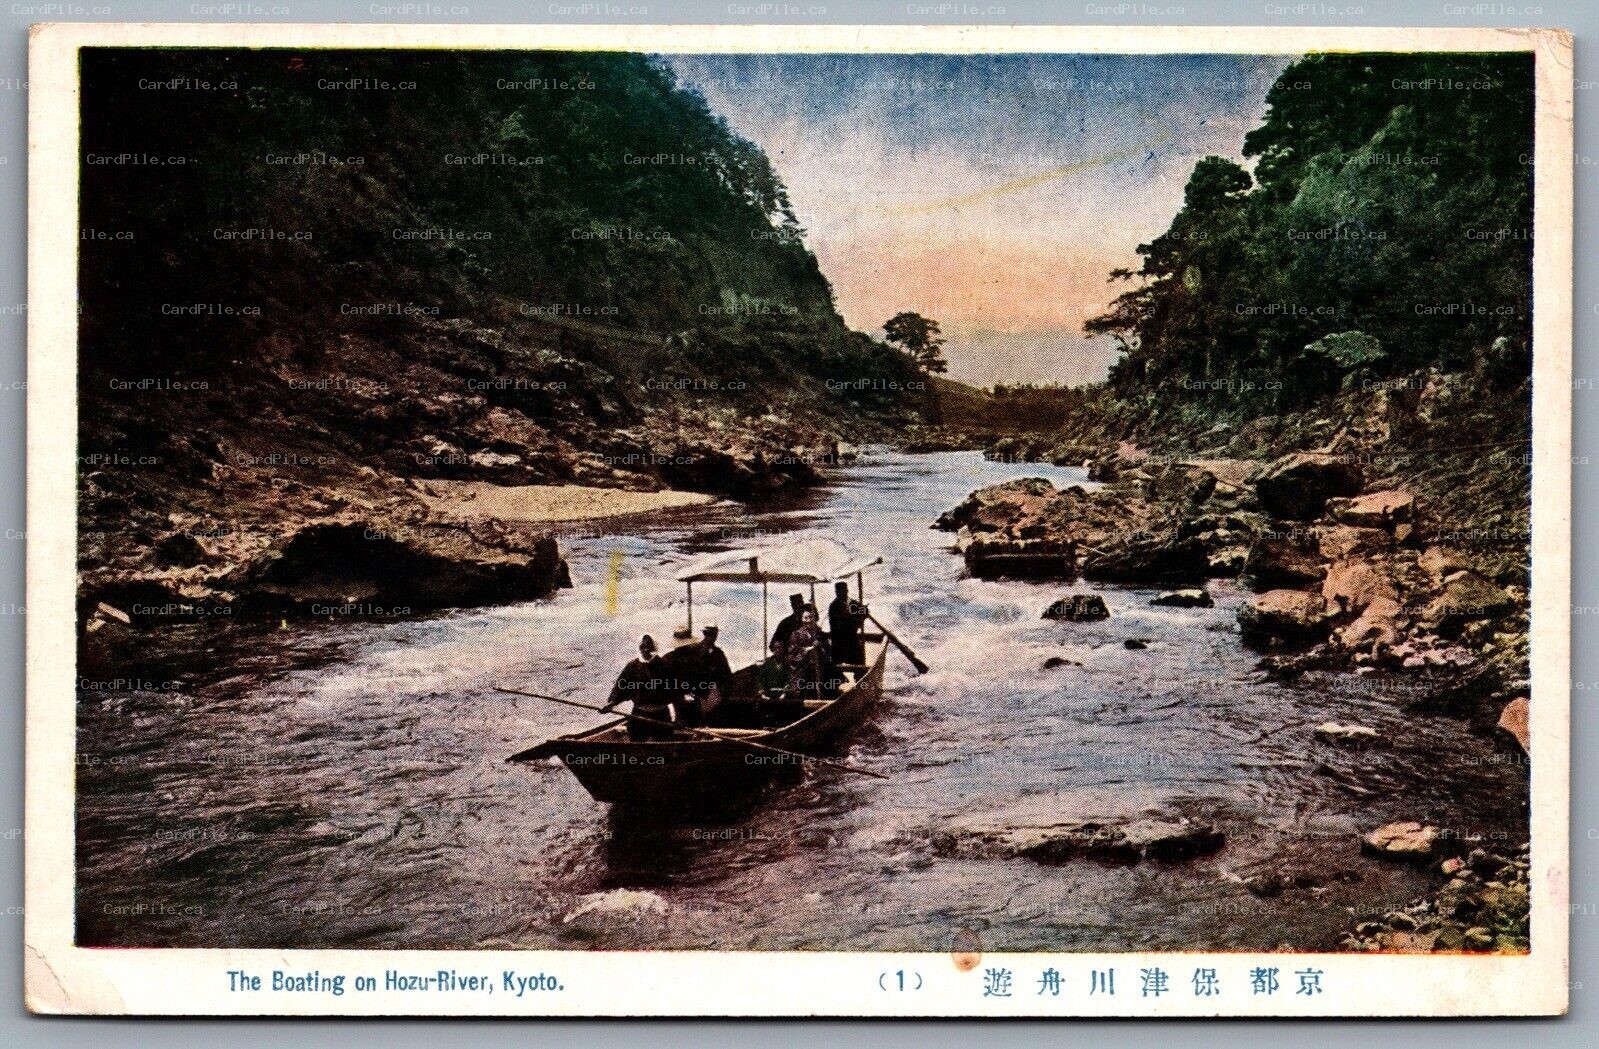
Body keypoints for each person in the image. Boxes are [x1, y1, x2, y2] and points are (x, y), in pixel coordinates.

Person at [603, 635, 674, 741]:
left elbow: (676, 692)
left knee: (664, 743)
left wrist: (679, 717)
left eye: (649, 647)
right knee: (636, 742)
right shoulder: (632, 666)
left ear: (655, 648)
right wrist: (611, 704)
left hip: (660, 715)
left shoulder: (664, 665)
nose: (646, 650)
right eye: (643, 647)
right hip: (639, 714)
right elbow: (621, 688)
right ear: (639, 648)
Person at [786, 609, 825, 699]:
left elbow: (825, 650)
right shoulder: (796, 634)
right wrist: (807, 650)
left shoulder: (817, 634)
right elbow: (792, 652)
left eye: (811, 617)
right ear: (802, 619)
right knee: (800, 692)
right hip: (801, 670)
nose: (808, 620)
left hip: (815, 670)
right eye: (806, 618)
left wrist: (819, 645)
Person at [828, 580, 868, 667]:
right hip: (839, 640)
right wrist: (852, 619)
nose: (841, 593)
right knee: (835, 663)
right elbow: (834, 624)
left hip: (852, 637)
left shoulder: (852, 603)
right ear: (836, 592)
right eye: (838, 591)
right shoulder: (833, 606)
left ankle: (860, 673)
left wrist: (862, 614)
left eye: (843, 591)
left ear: (847, 591)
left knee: (859, 660)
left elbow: (865, 612)